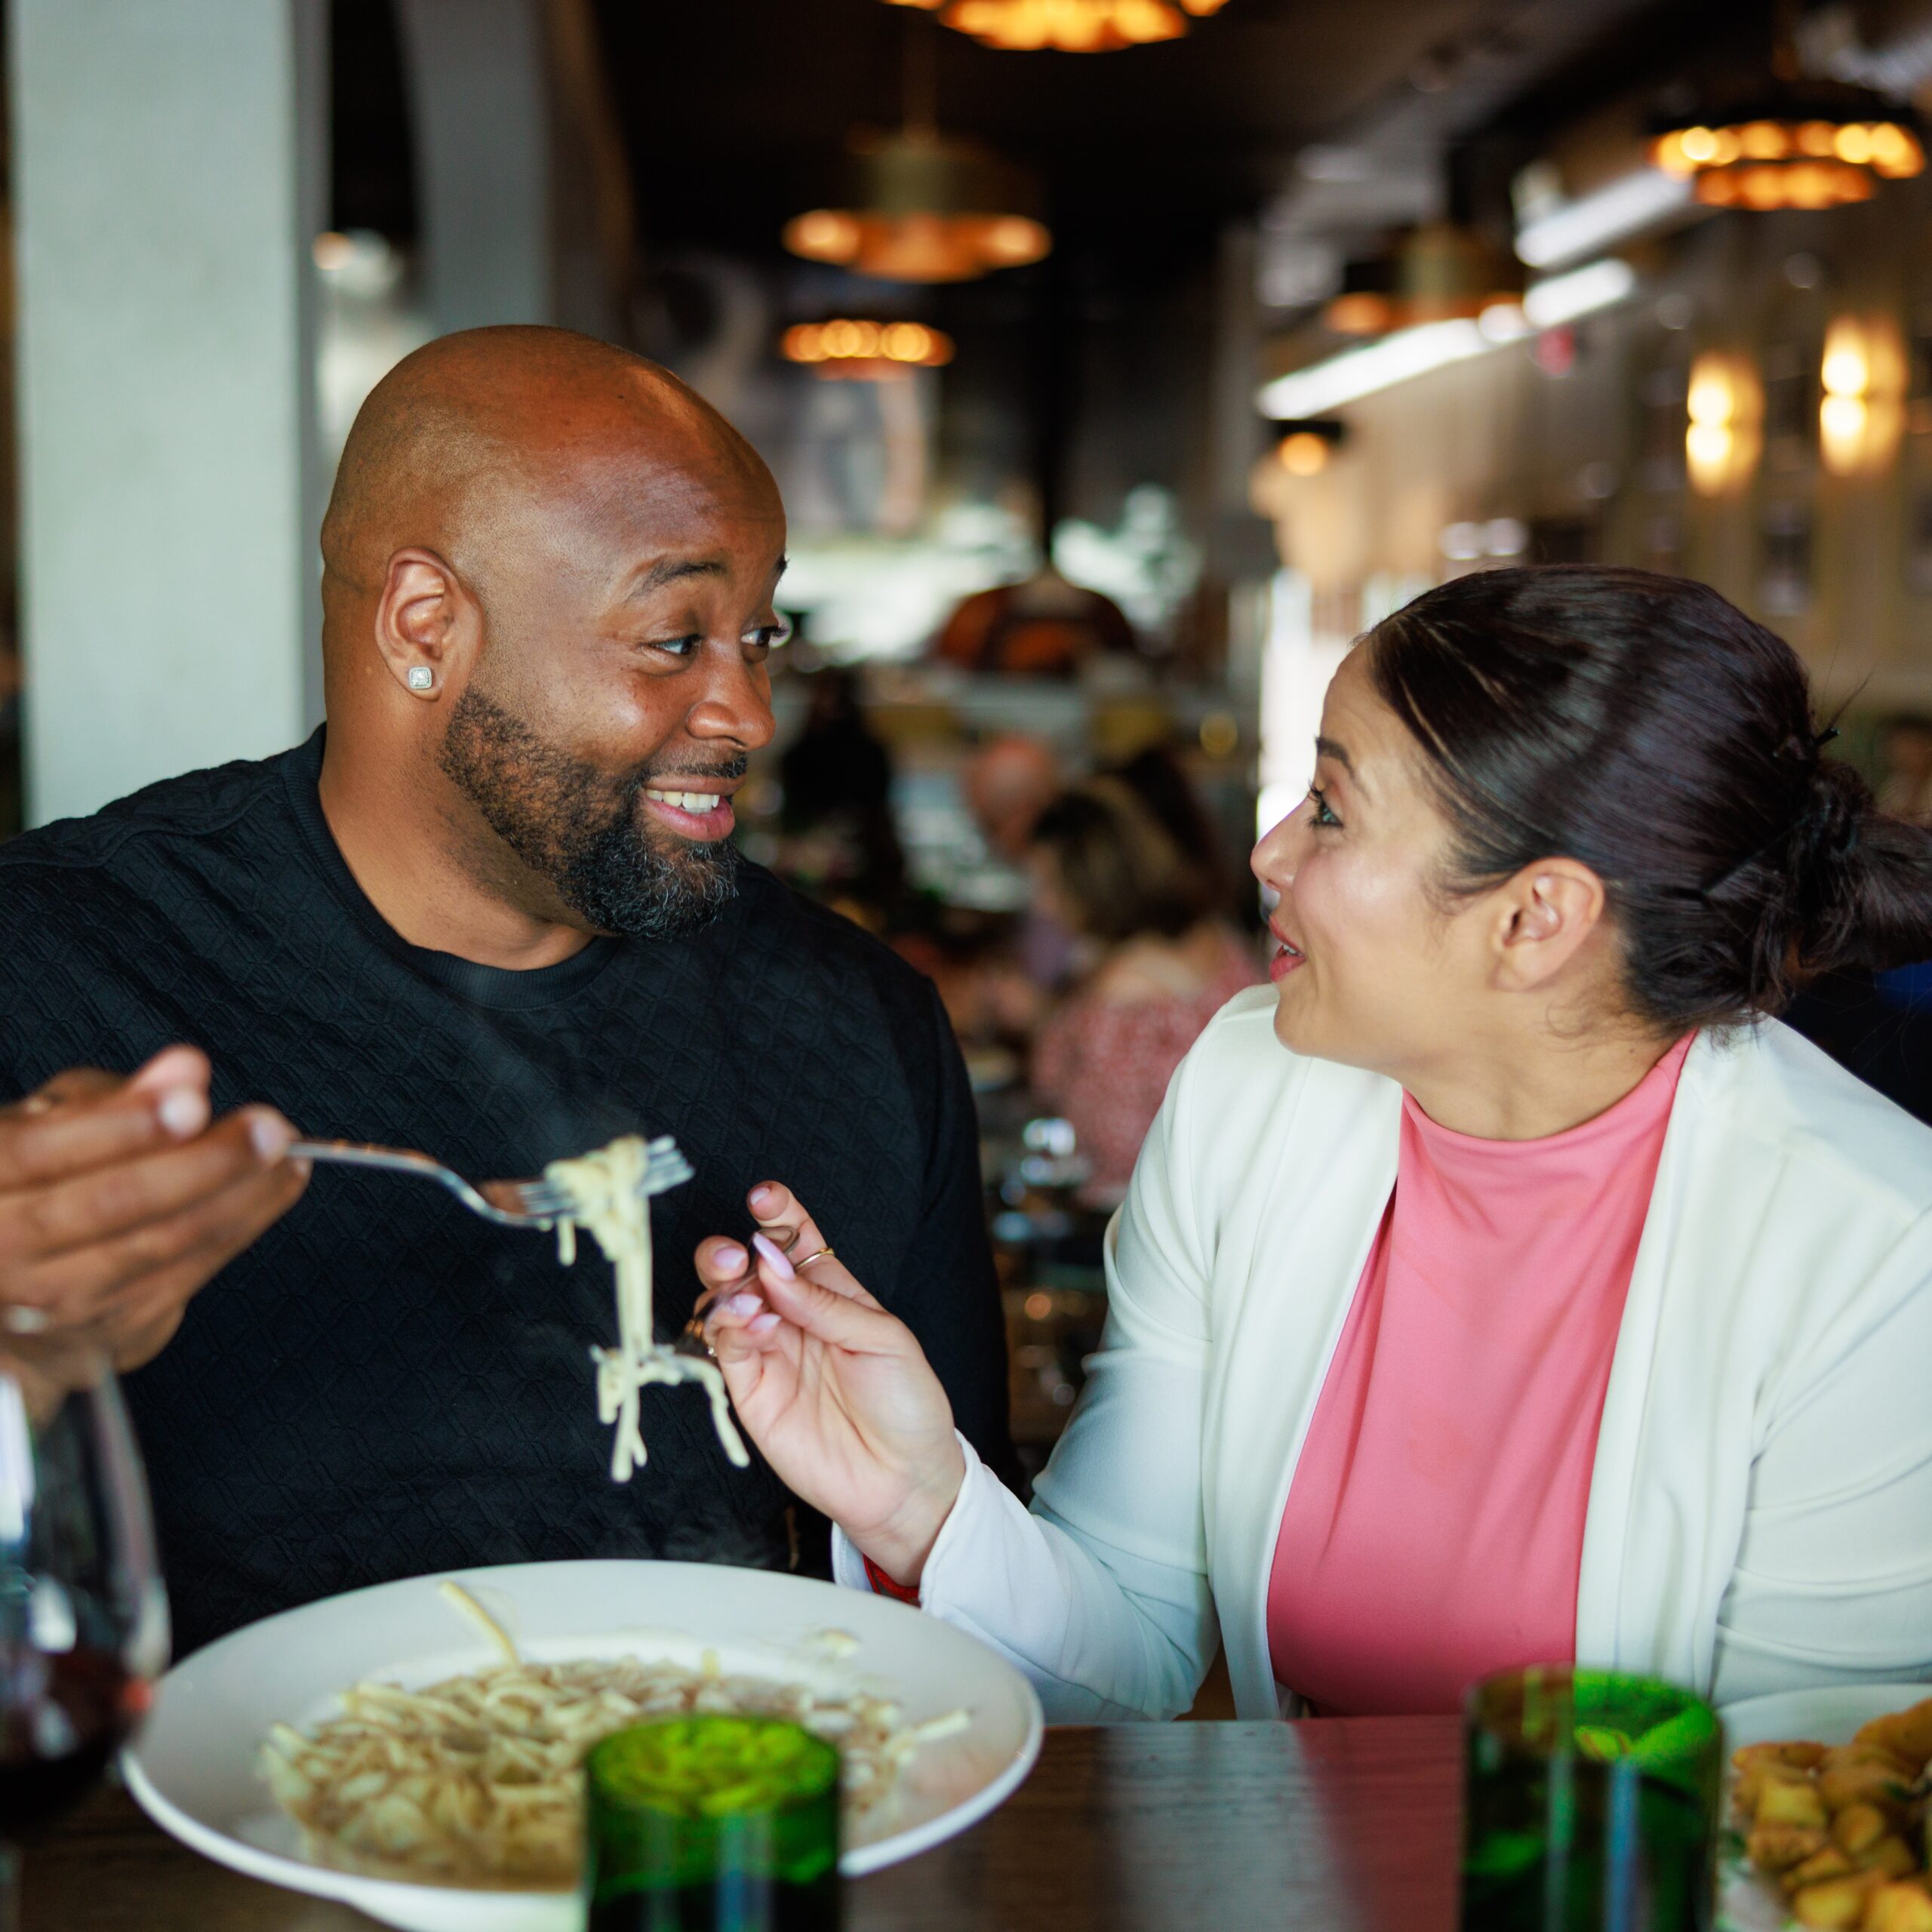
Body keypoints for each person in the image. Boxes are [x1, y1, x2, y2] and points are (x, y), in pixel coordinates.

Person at [694, 565, 1932, 1720]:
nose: (1267, 851)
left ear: (1534, 917)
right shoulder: (1254, 1087)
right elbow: (1132, 1645)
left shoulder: (1878, 1257)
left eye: (1332, 810)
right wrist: (919, 1499)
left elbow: (1784, 1819)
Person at [0, 326, 1010, 1654]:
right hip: (191, 1840)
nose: (749, 712)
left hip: (718, 1829)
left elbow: (971, 1566)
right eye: (672, 637)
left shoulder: (854, 1020)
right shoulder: (56, 969)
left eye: (757, 634)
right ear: (429, 626)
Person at [1026, 780, 1259, 1204]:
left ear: (1093, 882)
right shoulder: (1216, 936)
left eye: (1051, 886)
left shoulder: (1120, 994)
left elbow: (1113, 1144)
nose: (1043, 905)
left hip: (1140, 1214)